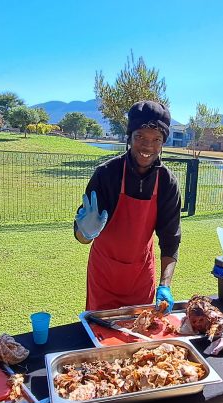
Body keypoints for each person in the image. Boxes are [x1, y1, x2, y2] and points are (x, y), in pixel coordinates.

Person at [74, 101, 182, 312]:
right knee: (102, 336)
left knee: (139, 337)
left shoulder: (167, 182)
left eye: (156, 139)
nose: (147, 146)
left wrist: (165, 285)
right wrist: (85, 232)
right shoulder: (106, 174)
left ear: (163, 143)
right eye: (140, 136)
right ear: (130, 137)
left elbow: (170, 239)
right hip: (104, 275)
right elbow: (81, 237)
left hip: (141, 276)